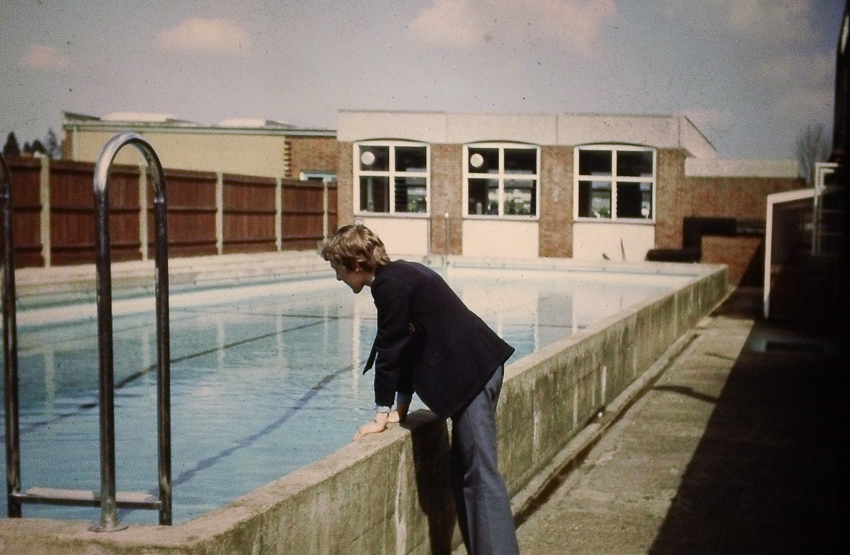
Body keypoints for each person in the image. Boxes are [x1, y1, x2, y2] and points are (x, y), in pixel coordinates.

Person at [320, 223, 520, 555]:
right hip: (479, 369)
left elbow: (391, 349)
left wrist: (380, 415)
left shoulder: (389, 286)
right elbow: (410, 344)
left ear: (354, 264)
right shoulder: (401, 273)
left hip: (471, 377)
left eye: (337, 269)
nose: (338, 278)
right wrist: (400, 409)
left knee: (481, 478)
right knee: (464, 474)